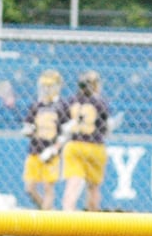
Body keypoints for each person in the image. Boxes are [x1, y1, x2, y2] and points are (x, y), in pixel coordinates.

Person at [61, 70, 111, 212]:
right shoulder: (100, 102)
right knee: (93, 187)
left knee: (73, 183)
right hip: (95, 145)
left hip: (75, 143)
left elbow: (64, 123)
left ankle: (67, 214)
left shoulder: (71, 101)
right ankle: (93, 219)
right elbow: (104, 128)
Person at [21, 69, 70, 210]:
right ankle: (47, 214)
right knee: (29, 188)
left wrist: (54, 149)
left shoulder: (62, 106)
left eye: (50, 86)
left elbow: (65, 133)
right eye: (44, 86)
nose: (46, 90)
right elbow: (28, 125)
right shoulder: (37, 105)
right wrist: (29, 130)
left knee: (48, 187)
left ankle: (45, 222)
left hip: (51, 153)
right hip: (35, 150)